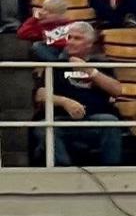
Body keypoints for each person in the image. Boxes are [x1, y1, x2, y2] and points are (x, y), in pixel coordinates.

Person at [33, 22, 125, 166]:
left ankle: (111, 175)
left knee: (110, 122)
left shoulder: (101, 65)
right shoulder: (56, 65)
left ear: (89, 44)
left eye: (77, 38)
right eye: (69, 37)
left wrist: (90, 71)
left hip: (94, 120)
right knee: (43, 128)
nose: (71, 42)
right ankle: (65, 176)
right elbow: (40, 94)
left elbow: (117, 90)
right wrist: (65, 102)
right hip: (62, 120)